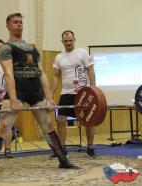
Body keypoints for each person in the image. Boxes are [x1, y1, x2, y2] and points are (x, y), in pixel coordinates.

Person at [0, 13, 79, 180]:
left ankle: (62, 160)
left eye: (21, 22)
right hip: (17, 88)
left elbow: (41, 74)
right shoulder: (6, 48)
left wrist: (49, 97)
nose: (19, 25)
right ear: (8, 26)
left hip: (34, 89)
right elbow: (9, 73)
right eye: (15, 22)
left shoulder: (32, 48)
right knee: (4, 126)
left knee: (47, 124)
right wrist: (12, 99)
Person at [51, 30, 97, 159]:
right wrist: (50, 94)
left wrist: (93, 90)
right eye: (66, 41)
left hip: (83, 92)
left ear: (74, 40)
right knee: (60, 119)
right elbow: (55, 77)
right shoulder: (59, 57)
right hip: (66, 93)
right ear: (62, 42)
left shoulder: (82, 53)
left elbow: (91, 71)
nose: (68, 43)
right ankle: (62, 149)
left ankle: (90, 147)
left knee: (88, 121)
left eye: (70, 40)